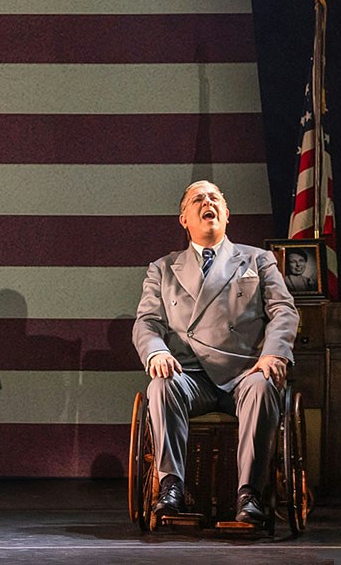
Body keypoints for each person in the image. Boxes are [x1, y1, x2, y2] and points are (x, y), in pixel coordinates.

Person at [133, 180, 298, 525]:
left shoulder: (258, 259)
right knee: (160, 386)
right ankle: (170, 487)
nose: (207, 202)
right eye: (198, 199)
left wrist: (274, 354)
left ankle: (250, 494)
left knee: (264, 386)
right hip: (192, 376)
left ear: (226, 214)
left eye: (214, 198)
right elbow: (147, 322)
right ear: (184, 219)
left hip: (244, 373)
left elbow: (284, 311)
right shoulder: (163, 269)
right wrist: (157, 353)